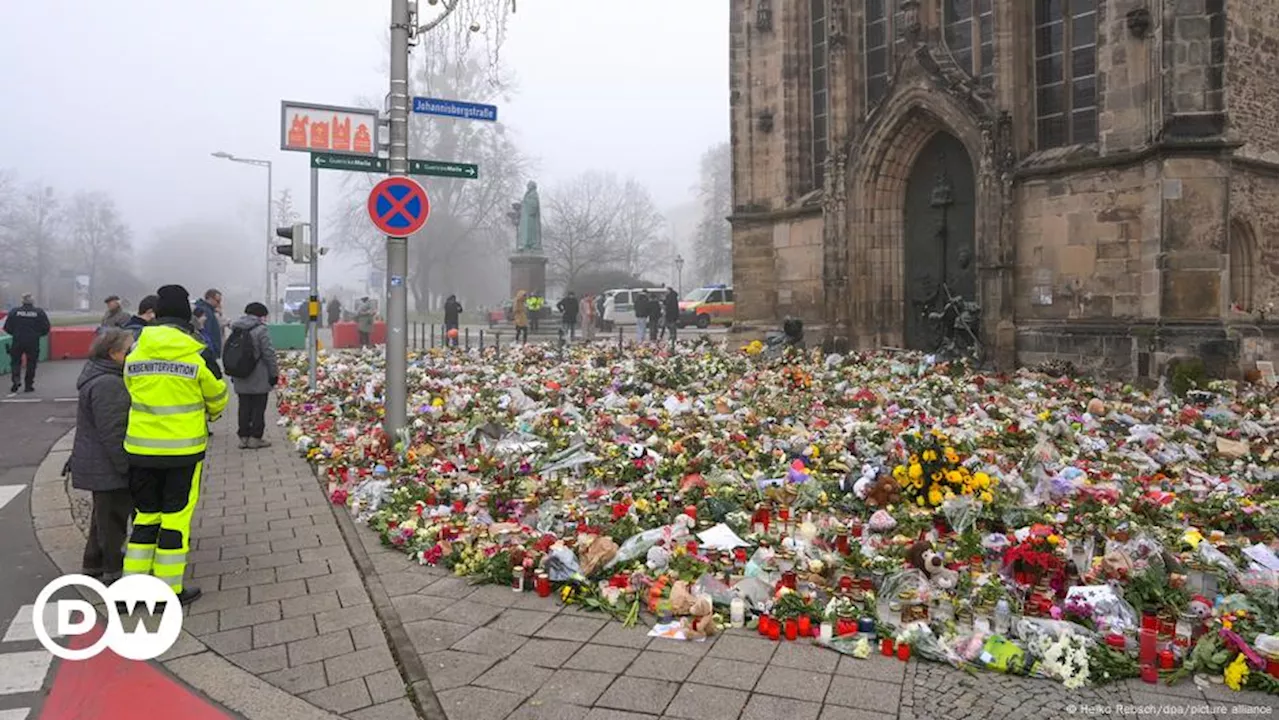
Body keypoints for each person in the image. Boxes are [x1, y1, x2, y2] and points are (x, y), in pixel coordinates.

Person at [122, 284, 228, 605]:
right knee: (175, 519)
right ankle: (168, 590)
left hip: (140, 450)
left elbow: (128, 387)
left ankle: (134, 589)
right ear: (185, 314)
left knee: (145, 517)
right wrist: (210, 412)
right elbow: (218, 395)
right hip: (182, 452)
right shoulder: (197, 351)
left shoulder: (137, 349)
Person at [70, 328, 135, 584]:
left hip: (94, 460)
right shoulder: (109, 383)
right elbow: (113, 430)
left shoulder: (96, 375)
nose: (132, 354)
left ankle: (93, 562)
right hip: (106, 464)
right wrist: (125, 466)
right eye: (128, 350)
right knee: (113, 520)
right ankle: (113, 571)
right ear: (113, 354)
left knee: (102, 516)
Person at [227, 303, 279, 450]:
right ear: (261, 315)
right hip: (259, 376)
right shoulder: (261, 330)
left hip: (240, 374)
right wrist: (274, 374)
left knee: (243, 406)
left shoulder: (236, 328)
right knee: (258, 407)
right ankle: (255, 438)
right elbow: (269, 354)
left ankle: (243, 438)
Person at [4, 293, 50, 393]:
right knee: (31, 363)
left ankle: (16, 379)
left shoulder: (14, 312)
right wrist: (37, 334)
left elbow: (7, 327)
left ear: (22, 301)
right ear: (32, 302)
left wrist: (15, 333)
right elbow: (46, 328)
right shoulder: (39, 312)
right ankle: (28, 385)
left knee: (15, 362)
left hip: (18, 340)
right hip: (33, 341)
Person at [194, 289, 223, 369]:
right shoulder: (206, 311)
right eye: (218, 301)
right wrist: (211, 351)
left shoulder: (209, 311)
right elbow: (206, 333)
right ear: (210, 298)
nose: (219, 304)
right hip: (209, 352)